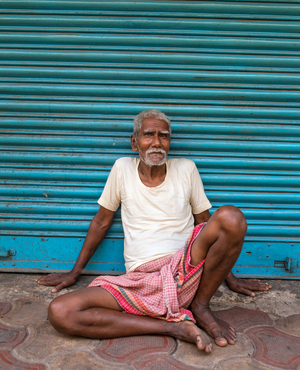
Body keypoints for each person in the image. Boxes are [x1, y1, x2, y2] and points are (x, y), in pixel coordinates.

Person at [37, 109, 271, 353]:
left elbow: (207, 225)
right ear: (134, 141)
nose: (157, 143)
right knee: (61, 311)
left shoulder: (186, 168)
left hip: (186, 266)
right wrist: (75, 272)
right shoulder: (122, 168)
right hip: (141, 279)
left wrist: (229, 277)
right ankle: (176, 328)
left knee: (231, 216)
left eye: (164, 136)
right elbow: (101, 222)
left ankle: (201, 307)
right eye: (149, 134)